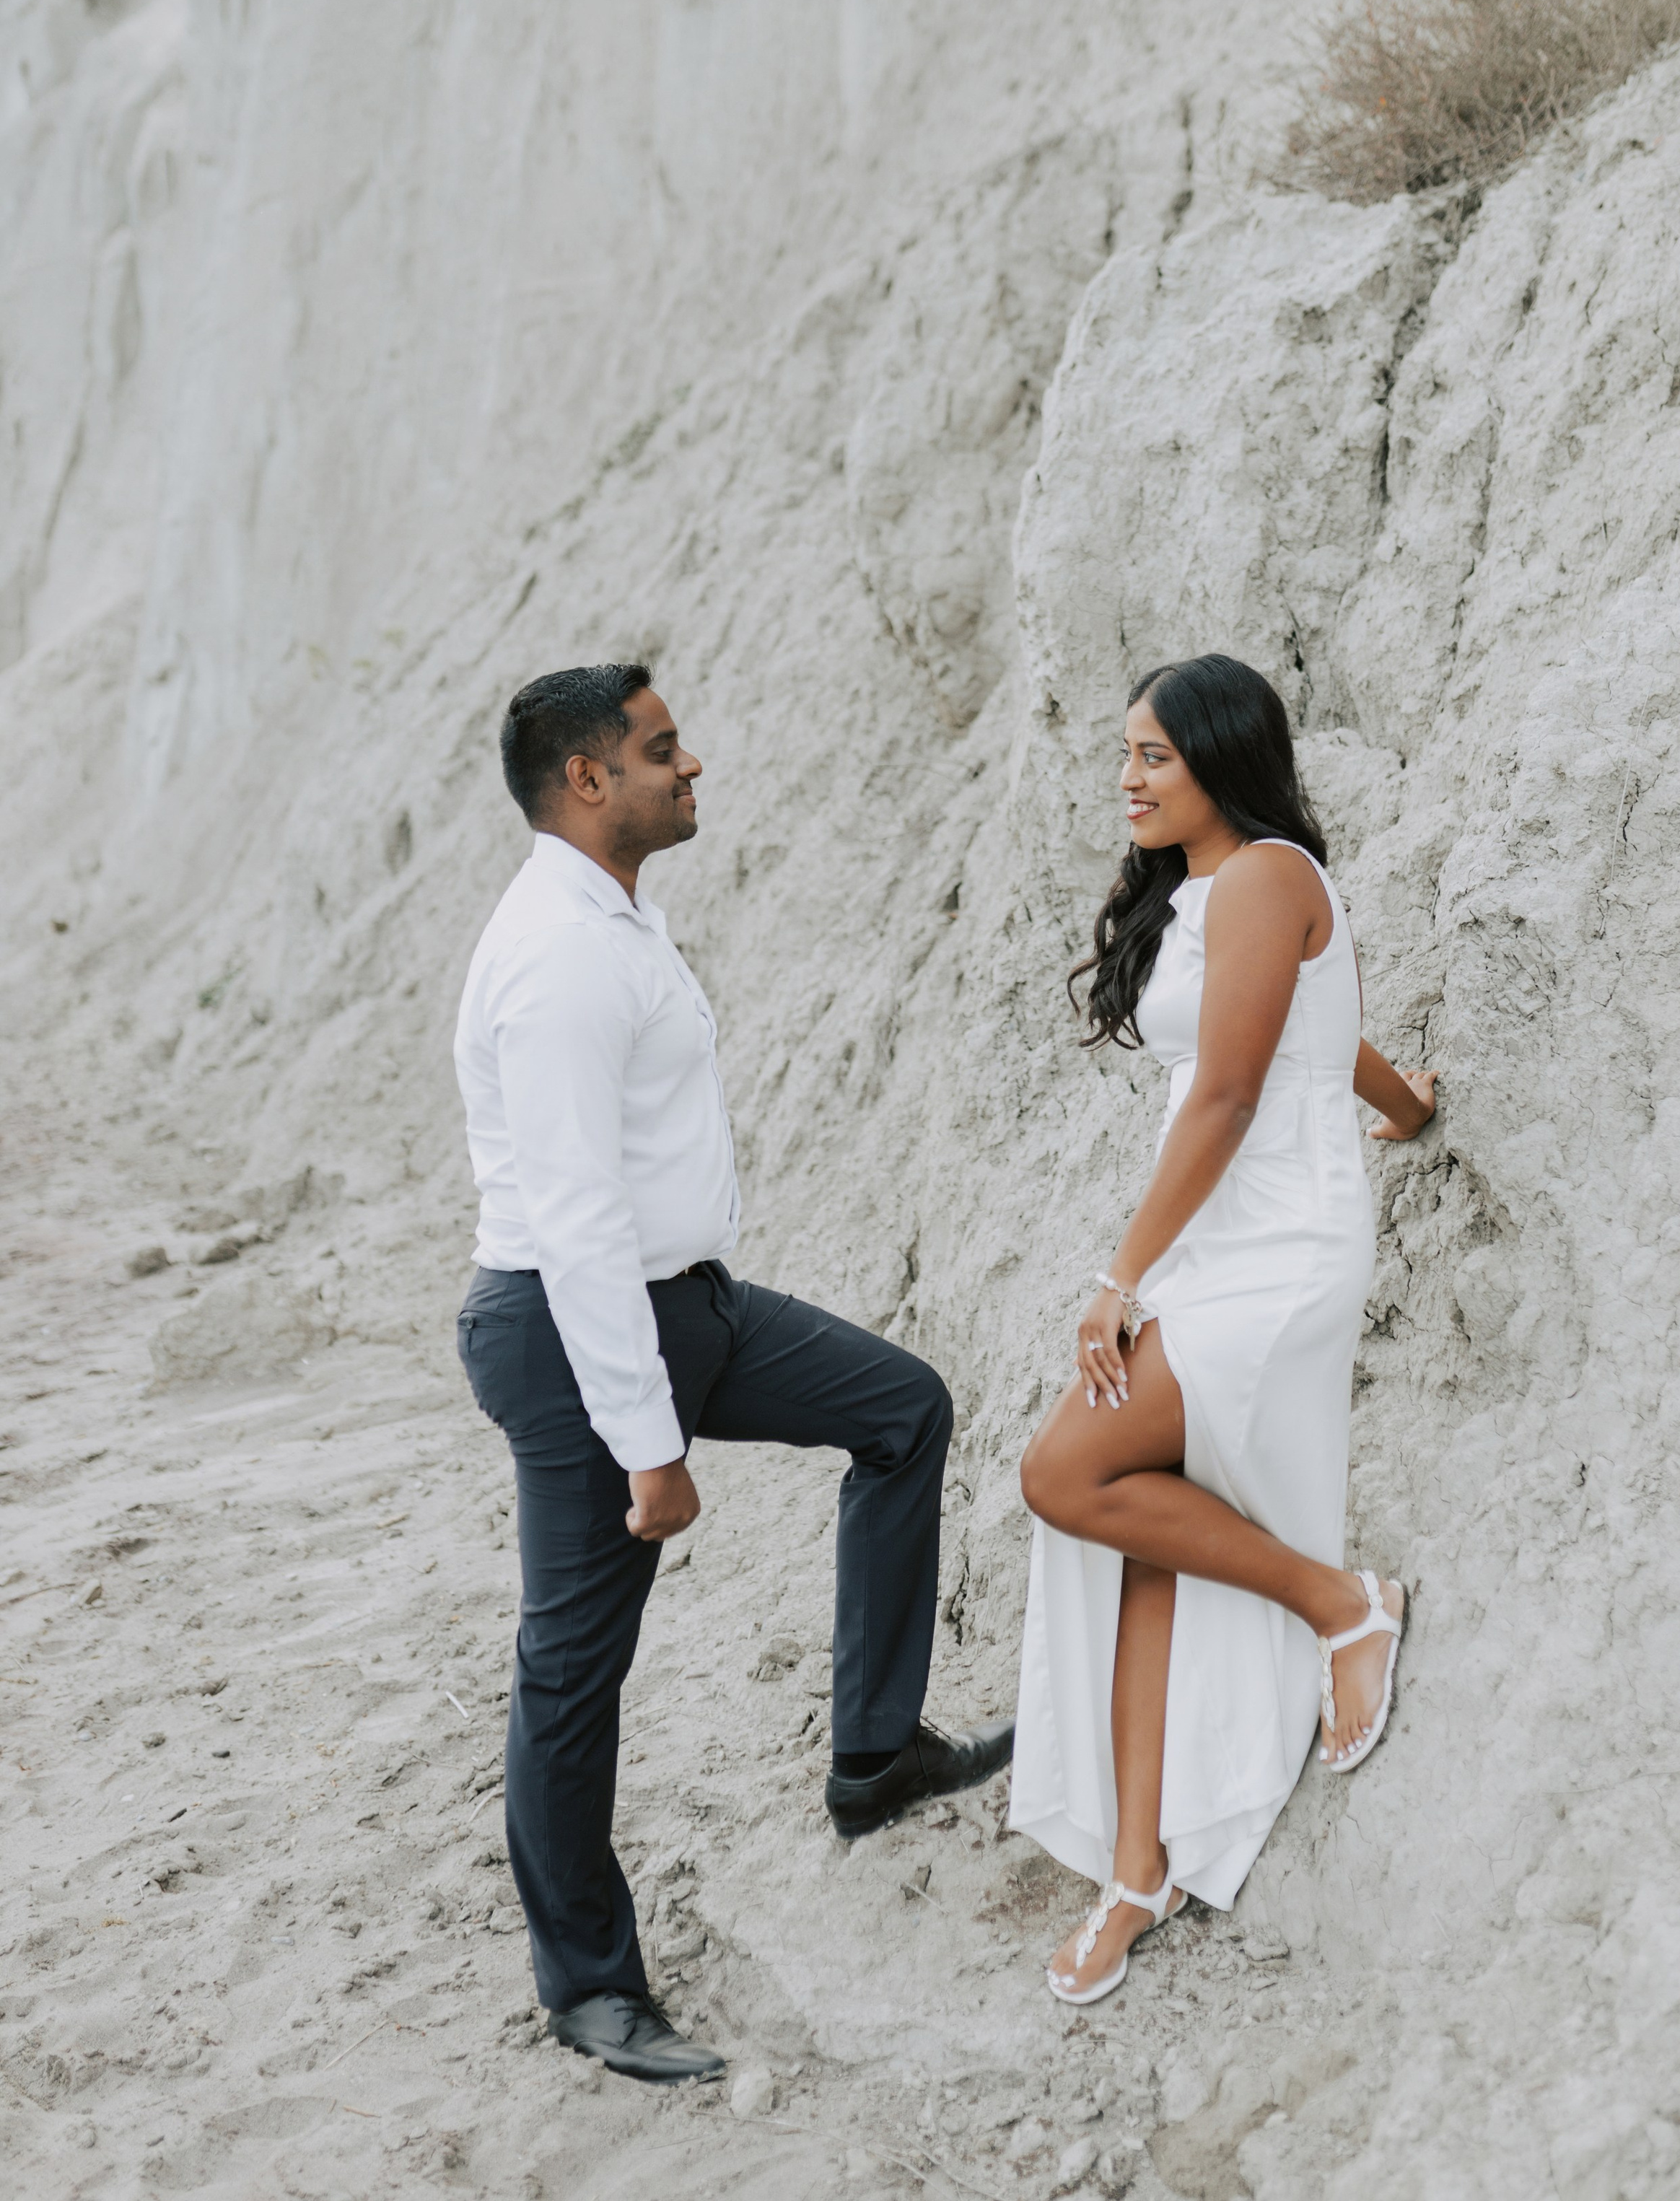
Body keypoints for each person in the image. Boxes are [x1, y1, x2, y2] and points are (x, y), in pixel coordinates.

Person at [453, 665, 1012, 2083]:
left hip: (687, 1307)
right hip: (579, 1333)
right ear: (586, 780)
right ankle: (589, 1987)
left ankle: (873, 1757)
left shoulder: (617, 916)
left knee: (901, 1408)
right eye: (658, 749)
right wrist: (650, 1445)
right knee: (574, 1667)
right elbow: (574, 1222)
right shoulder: (559, 956)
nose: (688, 764)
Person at [1009, 655, 1436, 2006]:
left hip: (1276, 1248)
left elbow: (1235, 1090)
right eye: (1124, 754)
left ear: (1223, 762)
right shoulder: (1212, 894)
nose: (1128, 779)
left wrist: (1116, 1275)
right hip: (1216, 1242)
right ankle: (1137, 1865)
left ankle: (1341, 1604)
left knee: (1065, 1476)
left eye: (1156, 757)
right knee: (1141, 1532)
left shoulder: (1266, 875)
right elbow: (1312, 1027)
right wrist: (1406, 1109)